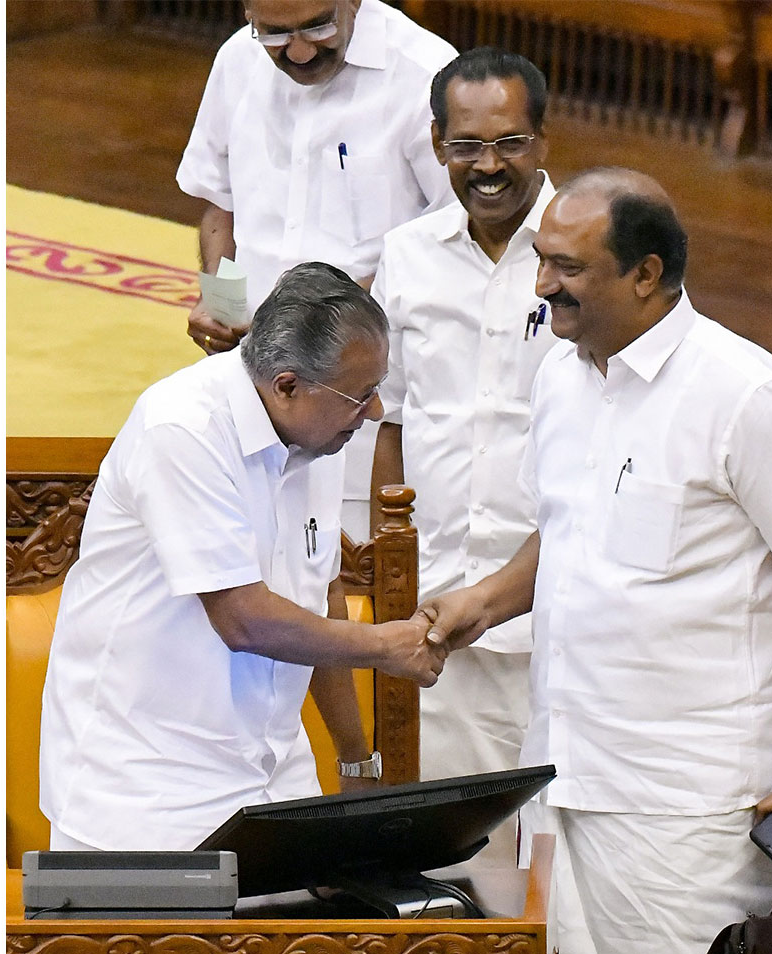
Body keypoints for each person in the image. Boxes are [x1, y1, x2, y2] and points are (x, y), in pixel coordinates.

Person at [418, 169, 772, 954]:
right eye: (541, 261)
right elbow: (568, 532)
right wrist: (488, 600)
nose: (542, 285)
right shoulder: (562, 379)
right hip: (565, 783)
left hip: (689, 807)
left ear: (648, 274)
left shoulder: (745, 394)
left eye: (567, 267)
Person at [40, 263, 446, 852]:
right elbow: (243, 620)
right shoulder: (182, 427)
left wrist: (355, 762)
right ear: (286, 386)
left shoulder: (319, 431)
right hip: (147, 794)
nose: (377, 410)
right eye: (360, 395)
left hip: (275, 779)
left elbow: (321, 593)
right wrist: (386, 645)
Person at [176, 0, 457, 539]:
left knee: (349, 557)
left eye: (318, 26)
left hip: (365, 396)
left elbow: (450, 233)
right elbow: (220, 203)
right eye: (275, 34)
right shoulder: (237, 60)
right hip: (250, 378)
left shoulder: (424, 75)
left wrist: (311, 332)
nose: (300, 51)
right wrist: (222, 302)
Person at [369, 47, 556, 808]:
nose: (489, 165)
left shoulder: (588, 254)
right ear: (437, 144)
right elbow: (390, 418)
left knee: (561, 838)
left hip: (559, 604)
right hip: (440, 606)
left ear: (543, 140)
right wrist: (390, 568)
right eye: (467, 145)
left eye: (509, 142)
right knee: (457, 837)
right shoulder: (407, 253)